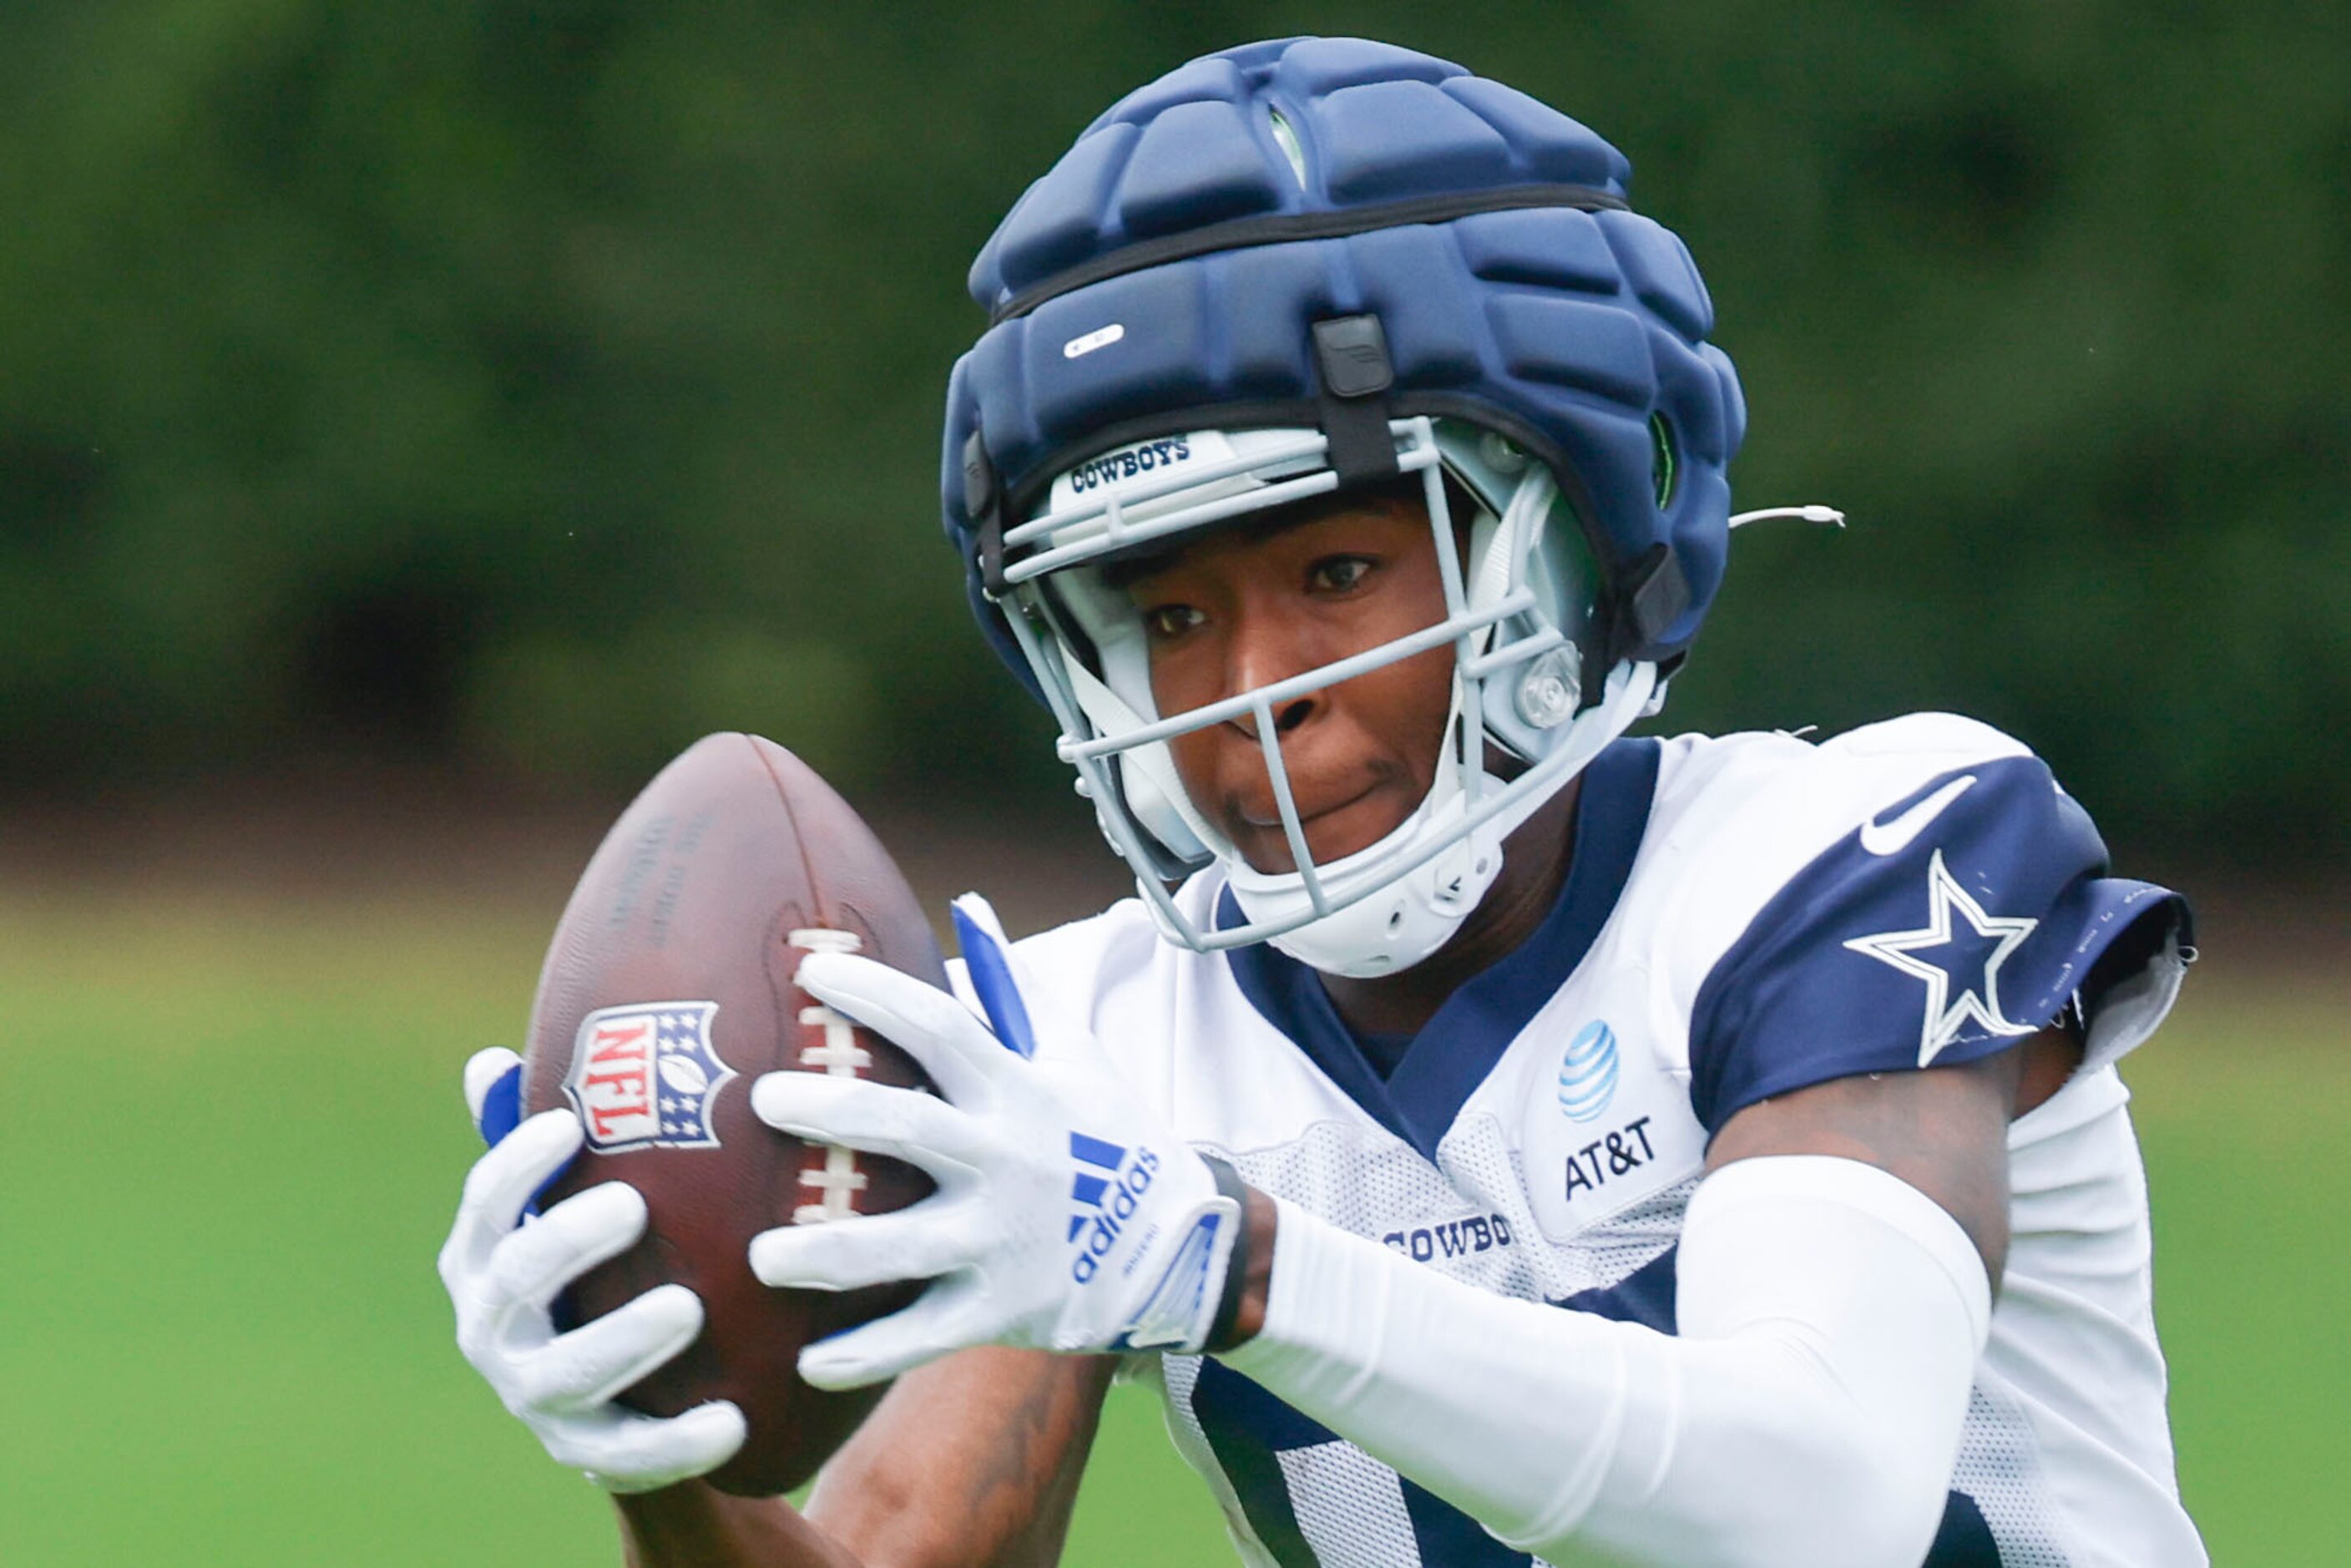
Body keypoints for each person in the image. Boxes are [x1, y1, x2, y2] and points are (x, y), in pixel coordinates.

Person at [437, 37, 2207, 1567]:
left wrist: (1220, 1261)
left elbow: (1811, 1503)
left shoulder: (1851, 860)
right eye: (1172, 616)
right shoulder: (1082, 1049)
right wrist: (649, 1430)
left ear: (1575, 524)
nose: (1251, 697)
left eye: (1343, 568)